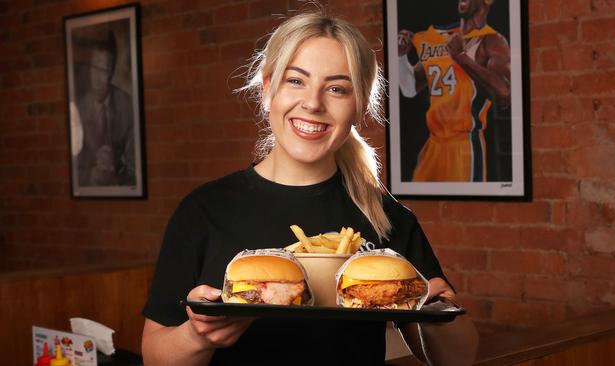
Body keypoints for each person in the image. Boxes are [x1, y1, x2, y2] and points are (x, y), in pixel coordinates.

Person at [141, 10, 478, 366]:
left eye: (337, 88)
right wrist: (198, 336)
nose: (314, 103)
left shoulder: (386, 218)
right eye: (296, 81)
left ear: (360, 105)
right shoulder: (203, 211)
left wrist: (438, 307)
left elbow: (458, 358)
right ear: (269, 88)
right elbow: (155, 356)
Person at [398, 0, 511, 182]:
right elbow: (409, 88)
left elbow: (505, 95)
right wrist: (401, 57)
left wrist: (461, 57)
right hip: (432, 145)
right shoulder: (441, 37)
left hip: (464, 147)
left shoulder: (492, 41)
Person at [74, 31, 135, 186]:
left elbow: (134, 166)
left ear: (112, 72)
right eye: (95, 68)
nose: (98, 78)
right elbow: (77, 168)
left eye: (104, 70)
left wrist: (116, 167)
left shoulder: (126, 104)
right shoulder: (79, 109)